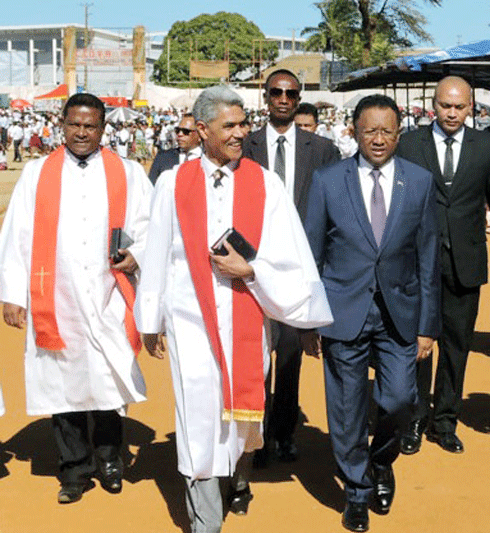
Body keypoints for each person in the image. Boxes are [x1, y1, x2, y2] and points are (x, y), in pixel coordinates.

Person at [134, 85, 333, 533]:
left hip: (248, 316)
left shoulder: (266, 185)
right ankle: (206, 518)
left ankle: (238, 478)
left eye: (244, 124)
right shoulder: (172, 183)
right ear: (203, 130)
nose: (241, 133)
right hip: (190, 322)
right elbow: (157, 250)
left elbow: (291, 255)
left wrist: (251, 269)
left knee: (243, 414)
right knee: (197, 414)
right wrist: (150, 319)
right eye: (230, 126)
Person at [0, 93, 151, 504]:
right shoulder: (36, 174)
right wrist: (13, 294)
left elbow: (149, 225)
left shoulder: (128, 173)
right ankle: (74, 469)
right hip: (57, 296)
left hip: (108, 294)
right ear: (62, 125)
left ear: (103, 128)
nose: (82, 132)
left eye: (90, 126)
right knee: (62, 383)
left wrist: (136, 254)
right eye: (74, 124)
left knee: (108, 377)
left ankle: (110, 458)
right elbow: (17, 235)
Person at [304, 95, 440, 532]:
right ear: (354, 132)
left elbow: (428, 257)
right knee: (346, 409)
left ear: (399, 133)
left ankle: (381, 461)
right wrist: (309, 320)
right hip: (343, 312)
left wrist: (427, 326)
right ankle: (358, 491)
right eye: (369, 131)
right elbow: (312, 255)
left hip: (400, 313)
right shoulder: (328, 181)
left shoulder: (419, 181)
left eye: (387, 131)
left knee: (400, 399)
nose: (378, 139)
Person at [243, 69, 340, 464]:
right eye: (276, 92)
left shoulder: (323, 150)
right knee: (254, 357)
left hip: (298, 270)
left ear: (299, 99)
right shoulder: (244, 146)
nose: (283, 99)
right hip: (250, 269)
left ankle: (282, 434)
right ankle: (255, 435)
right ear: (265, 97)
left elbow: (331, 214)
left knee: (288, 356)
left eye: (291, 93)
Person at [396, 76, 490, 455]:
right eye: (445, 105)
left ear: (471, 107)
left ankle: (445, 421)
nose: (451, 113)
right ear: (432, 105)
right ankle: (415, 419)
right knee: (417, 343)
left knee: (457, 344)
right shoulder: (409, 144)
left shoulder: (485, 146)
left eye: (459, 107)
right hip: (417, 261)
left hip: (465, 261)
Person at [148, 113, 202, 185]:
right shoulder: (163, 157)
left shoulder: (209, 160)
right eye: (177, 130)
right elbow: (151, 186)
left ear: (200, 134)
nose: (180, 134)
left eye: (186, 131)